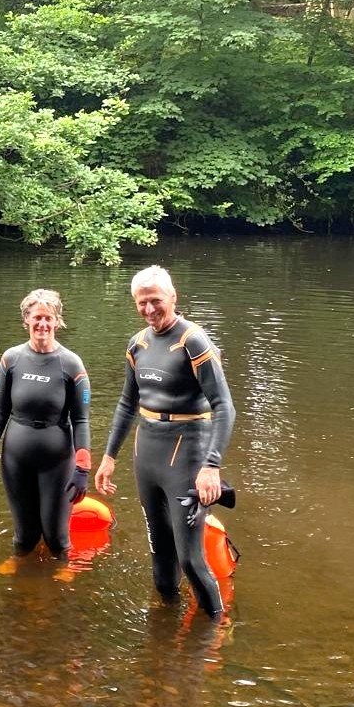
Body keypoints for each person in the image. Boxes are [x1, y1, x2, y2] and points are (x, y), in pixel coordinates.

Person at [94, 265, 236, 619]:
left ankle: (217, 626)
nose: (149, 309)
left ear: (173, 297)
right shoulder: (137, 344)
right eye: (141, 302)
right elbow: (127, 403)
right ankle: (166, 626)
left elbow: (224, 406)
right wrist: (109, 457)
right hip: (147, 454)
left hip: (187, 453)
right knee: (160, 556)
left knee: (190, 558)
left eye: (155, 300)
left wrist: (212, 466)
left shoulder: (193, 341)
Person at [0, 289, 91, 558]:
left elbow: (81, 419)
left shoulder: (71, 364)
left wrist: (82, 469)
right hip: (17, 457)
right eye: (37, 317)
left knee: (56, 538)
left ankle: (61, 575)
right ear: (26, 319)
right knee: (24, 536)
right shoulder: (11, 359)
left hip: (57, 460)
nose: (42, 324)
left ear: (57, 321)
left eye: (48, 318)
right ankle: (21, 573)